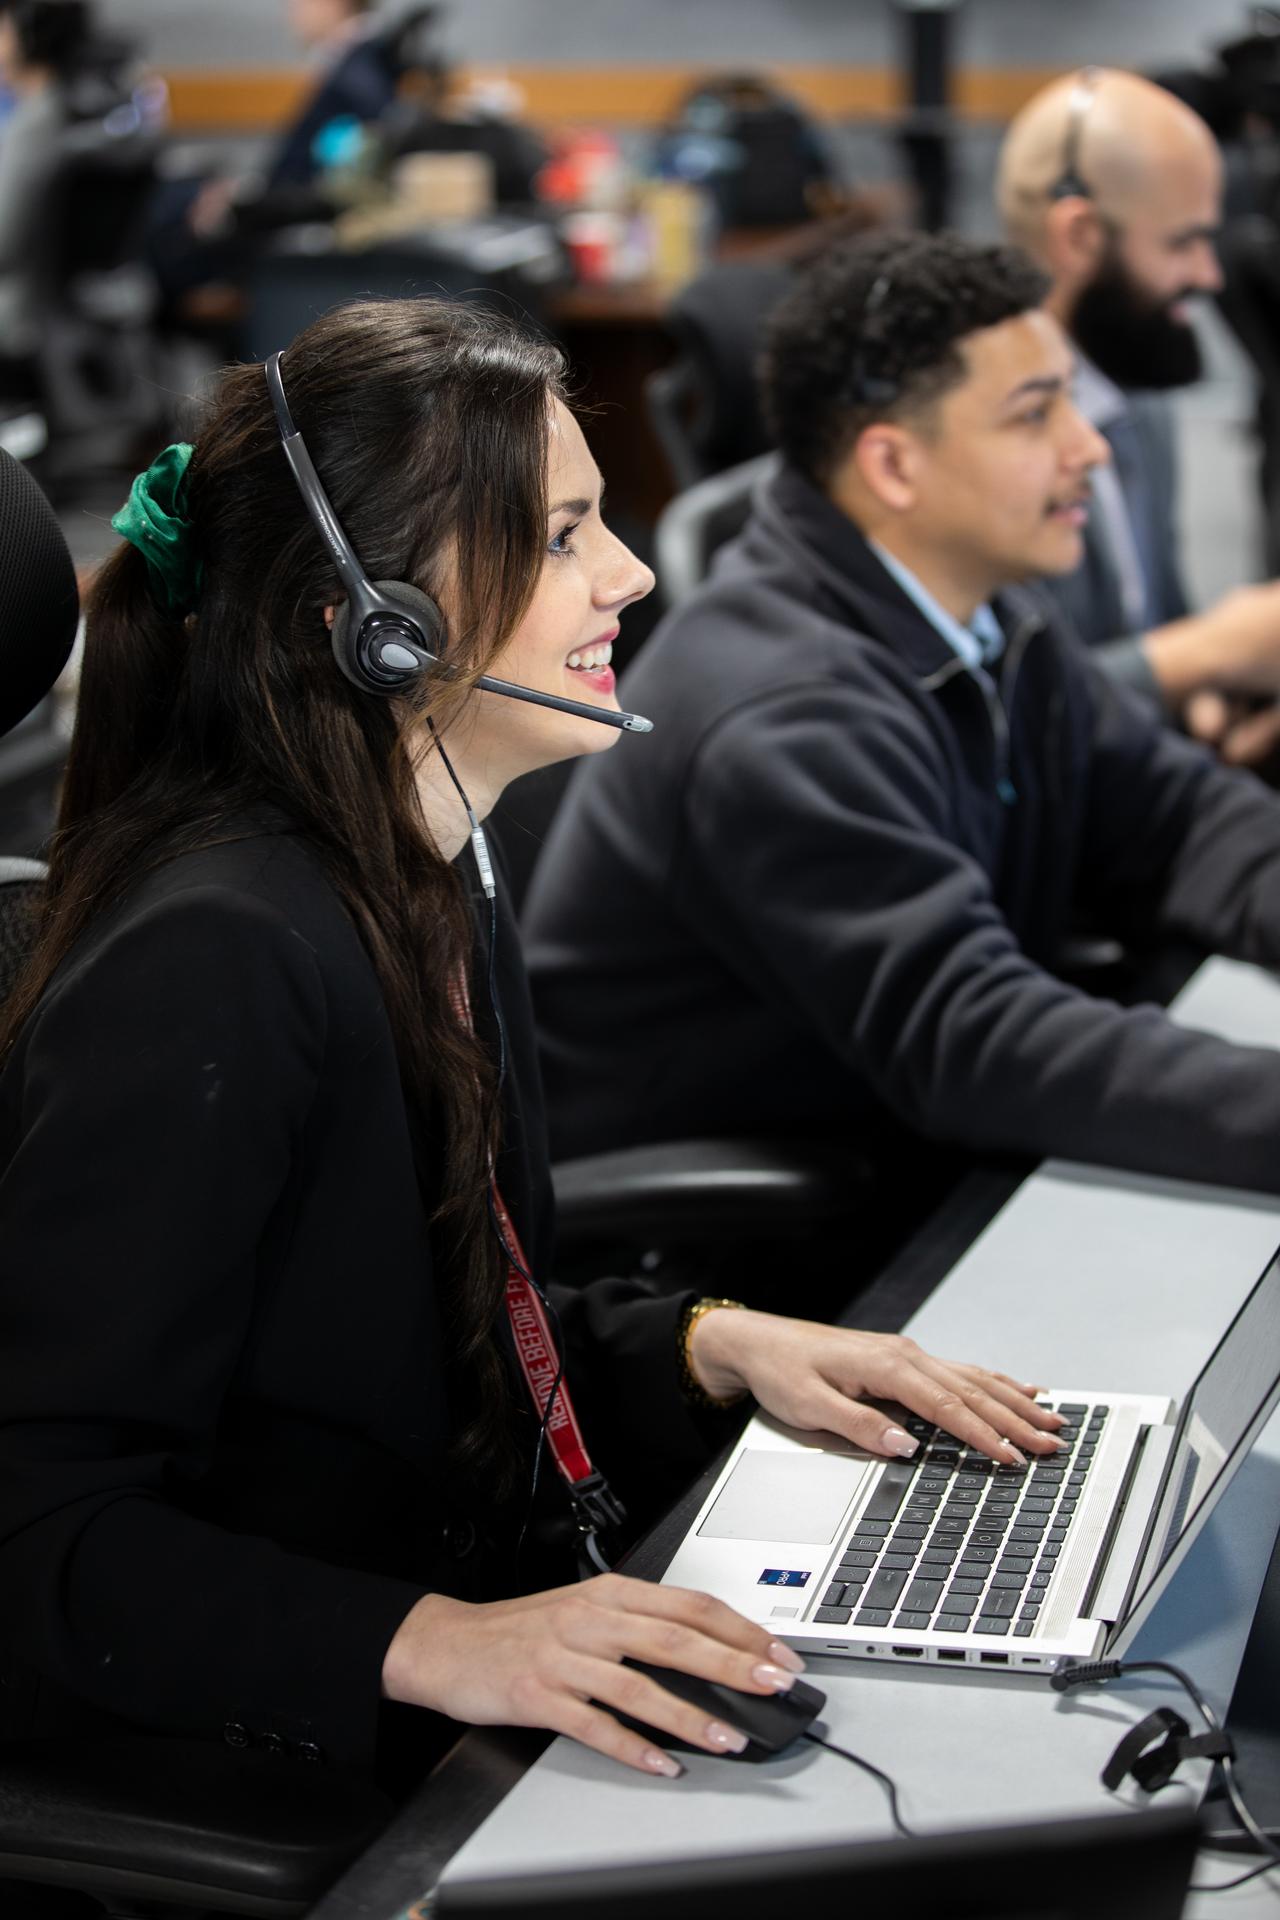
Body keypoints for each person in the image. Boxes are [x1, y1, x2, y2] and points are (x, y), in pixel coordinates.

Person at [0, 297, 1061, 1796]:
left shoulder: (431, 870)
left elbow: (428, 1312)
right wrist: (442, 1642)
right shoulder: (218, 960)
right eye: (563, 535)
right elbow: (44, 1522)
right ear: (372, 624)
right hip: (285, 1721)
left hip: (462, 1601)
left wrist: (709, 1343)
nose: (629, 574)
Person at [524, 231, 1280, 1199]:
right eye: (1033, 413)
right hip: (762, 1252)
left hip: (892, 1142)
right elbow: (973, 1040)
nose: (1086, 445)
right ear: (891, 467)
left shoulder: (986, 610)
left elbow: (1179, 819)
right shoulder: (782, 718)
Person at [997, 66, 1280, 768]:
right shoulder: (978, 445)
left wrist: (1207, 690)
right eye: (1182, 243)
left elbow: (1158, 619)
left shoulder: (1137, 400)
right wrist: (1200, 654)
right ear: (1082, 235)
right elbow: (990, 714)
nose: (1211, 276)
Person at [0, 0, 91, 362]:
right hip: (62, 312)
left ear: (28, 32)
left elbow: (3, 243)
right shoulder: (72, 108)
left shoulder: (35, 124)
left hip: (21, 312)